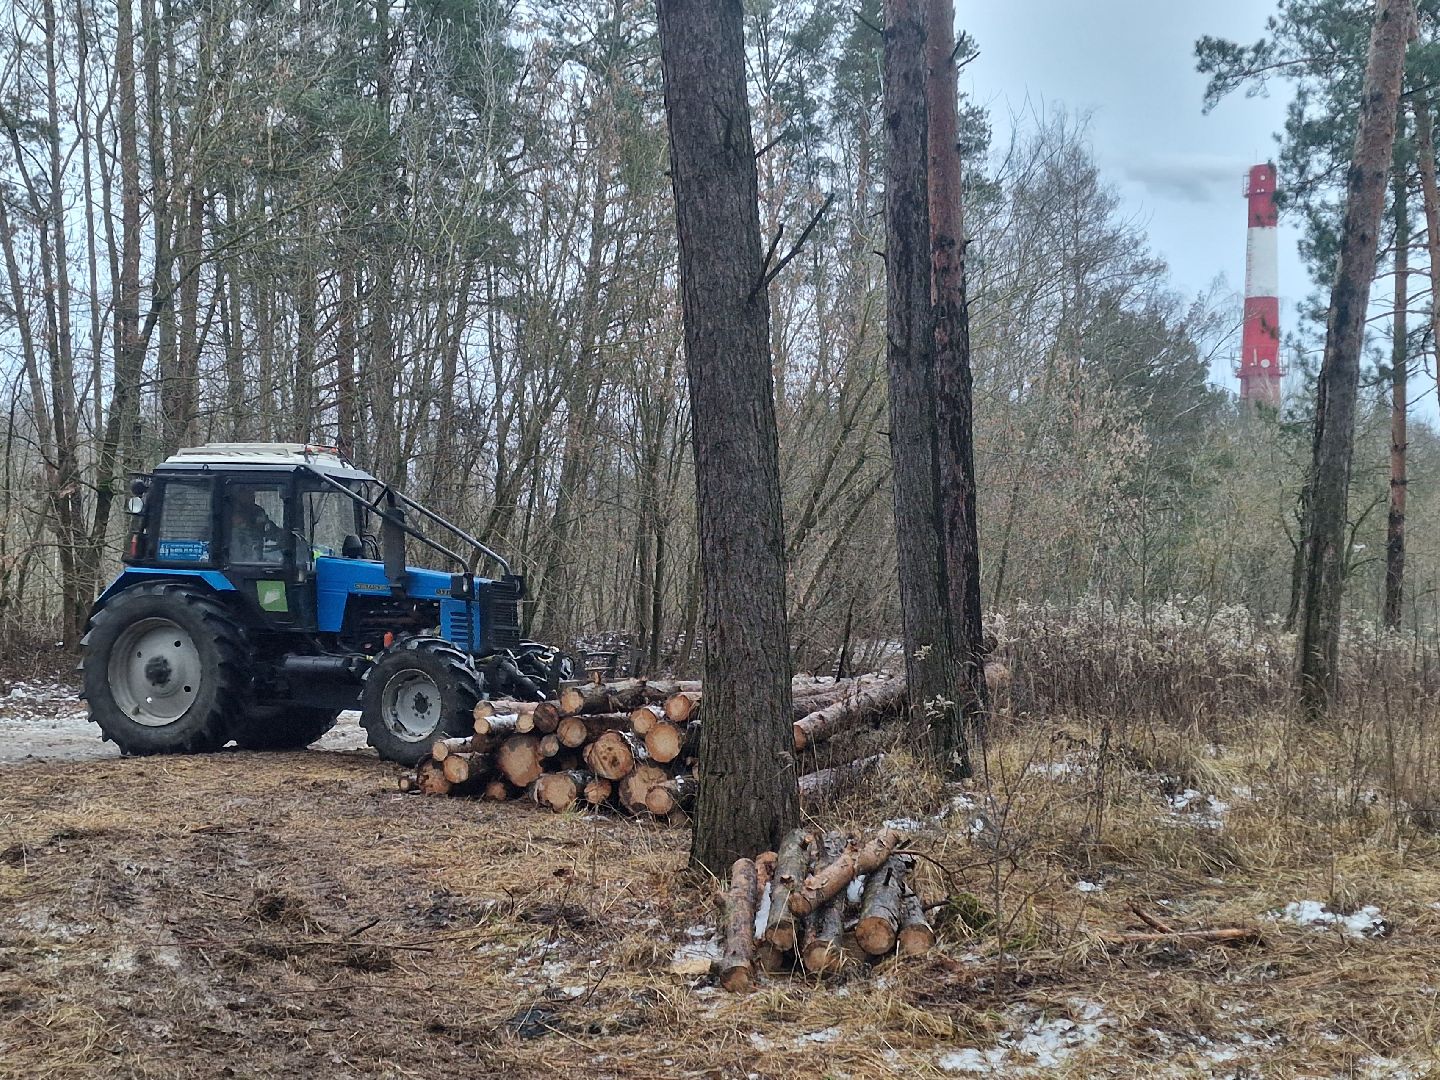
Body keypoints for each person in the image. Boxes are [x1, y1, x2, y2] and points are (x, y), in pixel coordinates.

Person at [230, 488, 282, 563]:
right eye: (248, 494)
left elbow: (267, 525)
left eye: (252, 494)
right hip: (237, 551)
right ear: (240, 495)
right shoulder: (231, 509)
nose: (252, 496)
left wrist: (279, 532)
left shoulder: (257, 510)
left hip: (256, 548)